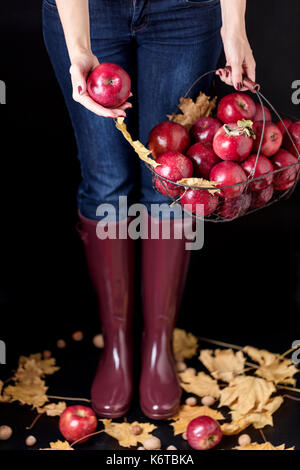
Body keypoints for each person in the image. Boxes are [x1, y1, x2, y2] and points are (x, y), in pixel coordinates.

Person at [42, 0, 255, 420]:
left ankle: (158, 343)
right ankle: (117, 346)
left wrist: (234, 24)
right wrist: (80, 48)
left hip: (187, 9)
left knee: (172, 185)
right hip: (89, 12)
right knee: (107, 186)